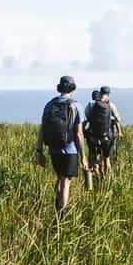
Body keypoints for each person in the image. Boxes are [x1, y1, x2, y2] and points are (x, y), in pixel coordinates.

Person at [35, 75, 87, 212]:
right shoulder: (76, 106)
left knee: (59, 178)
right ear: (73, 88)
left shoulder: (50, 104)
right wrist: (83, 157)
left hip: (53, 149)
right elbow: (79, 134)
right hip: (70, 151)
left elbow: (42, 128)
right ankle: (61, 217)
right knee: (65, 182)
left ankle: (56, 207)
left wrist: (39, 151)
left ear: (59, 87)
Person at [84, 85, 122, 176]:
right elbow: (118, 119)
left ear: (100, 93)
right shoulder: (111, 105)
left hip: (93, 137)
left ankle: (94, 179)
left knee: (93, 158)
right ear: (108, 94)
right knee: (106, 159)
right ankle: (106, 181)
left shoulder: (91, 104)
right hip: (106, 138)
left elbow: (86, 119)